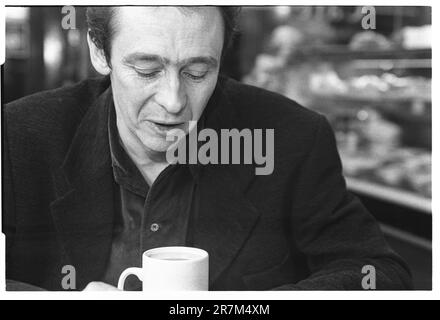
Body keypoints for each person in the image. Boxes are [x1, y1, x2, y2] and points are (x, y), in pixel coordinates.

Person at [3, 6, 412, 291]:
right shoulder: (20, 134)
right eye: (147, 70)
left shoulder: (292, 137)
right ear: (99, 52)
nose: (174, 100)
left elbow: (377, 271)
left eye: (198, 72)